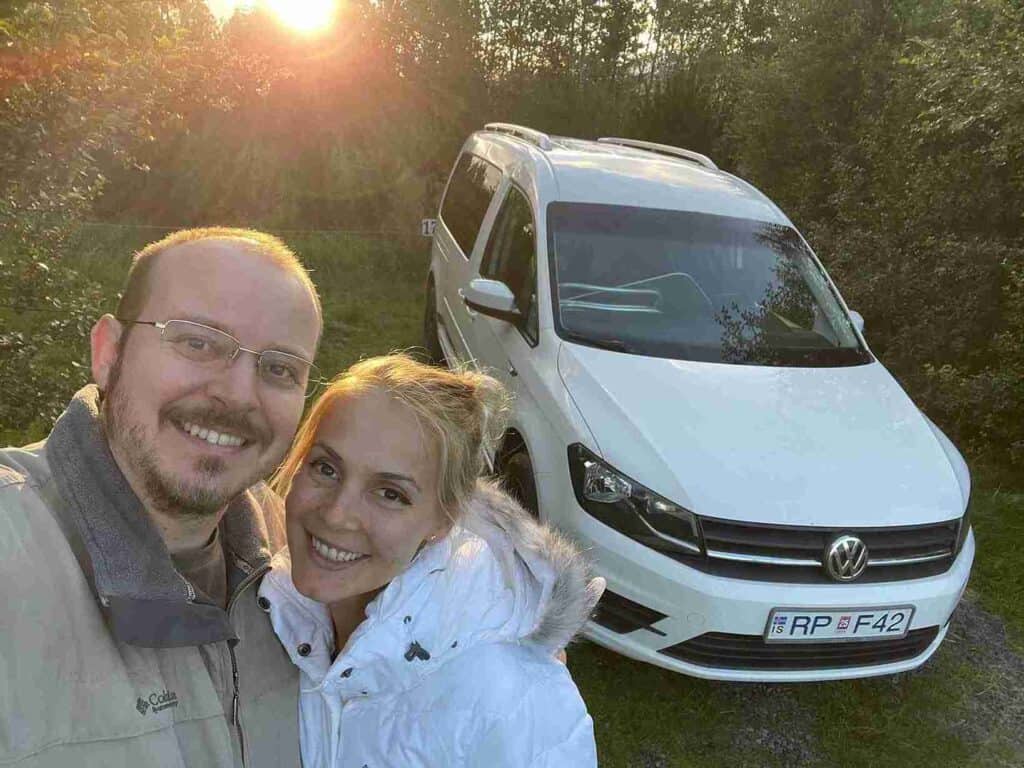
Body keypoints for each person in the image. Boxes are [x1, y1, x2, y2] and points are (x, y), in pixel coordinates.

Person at [0, 228, 320, 767]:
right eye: (198, 342)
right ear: (108, 353)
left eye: (280, 369)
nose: (239, 394)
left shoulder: (303, 565)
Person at [258, 354, 602, 768]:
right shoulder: (272, 614)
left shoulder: (510, 700)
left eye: (390, 493)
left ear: (445, 520)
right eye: (326, 468)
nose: (336, 514)